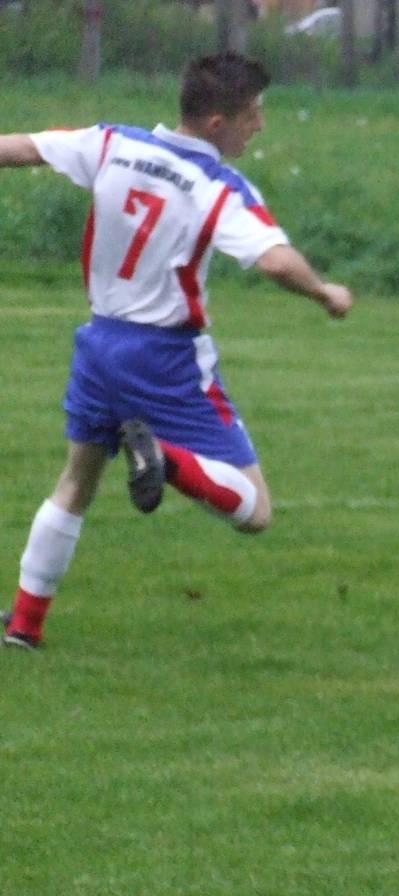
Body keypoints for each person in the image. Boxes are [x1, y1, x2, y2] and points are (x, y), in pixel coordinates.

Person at [0, 52, 352, 650]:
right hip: (164, 357)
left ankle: (24, 627)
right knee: (255, 510)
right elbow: (273, 261)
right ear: (217, 123)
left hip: (98, 345)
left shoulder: (112, 143)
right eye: (253, 114)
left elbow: (23, 148)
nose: (259, 125)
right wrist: (324, 292)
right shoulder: (218, 186)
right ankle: (165, 460)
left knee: (75, 482)